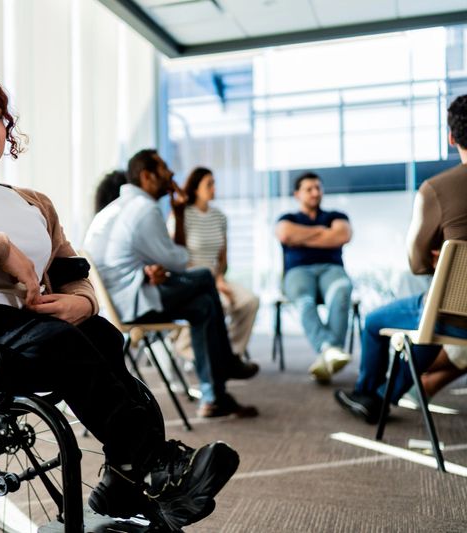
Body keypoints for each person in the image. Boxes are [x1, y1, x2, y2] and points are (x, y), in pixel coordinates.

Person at [0, 70, 239, 528]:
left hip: (37, 322)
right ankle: (151, 465)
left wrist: (83, 303)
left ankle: (126, 476)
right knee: (59, 343)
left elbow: (72, 270)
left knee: (102, 335)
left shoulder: (33, 201)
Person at [84, 149, 259, 418]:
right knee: (202, 277)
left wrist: (149, 269)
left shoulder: (115, 209)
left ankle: (215, 397)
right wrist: (175, 222)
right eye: (164, 168)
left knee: (203, 306)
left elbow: (129, 258)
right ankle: (225, 367)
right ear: (147, 176)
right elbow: (180, 260)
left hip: (116, 299)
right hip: (133, 302)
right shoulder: (145, 210)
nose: (172, 174)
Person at [335, 94, 467, 423]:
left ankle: (368, 393)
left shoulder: (437, 189)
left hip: (456, 313)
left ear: (451, 137)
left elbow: (416, 263)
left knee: (375, 322)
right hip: (450, 318)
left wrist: (443, 259)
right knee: (428, 324)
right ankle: (379, 398)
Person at [168, 167, 260, 357]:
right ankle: (187, 348)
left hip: (215, 276)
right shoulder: (181, 214)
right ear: (195, 188)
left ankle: (231, 354)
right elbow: (175, 255)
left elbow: (222, 256)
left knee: (250, 301)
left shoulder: (219, 217)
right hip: (191, 278)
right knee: (222, 303)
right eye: (209, 184)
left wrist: (219, 279)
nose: (214, 188)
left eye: (214, 183)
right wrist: (212, 281)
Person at [275, 173, 354, 383]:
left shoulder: (336, 215)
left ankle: (327, 354)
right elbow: (285, 235)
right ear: (297, 194)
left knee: (342, 291)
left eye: (318, 188)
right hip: (297, 271)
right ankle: (330, 349)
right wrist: (322, 232)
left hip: (331, 269)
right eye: (309, 189)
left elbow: (342, 236)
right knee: (304, 301)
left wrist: (301, 238)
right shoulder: (287, 219)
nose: (315, 192)